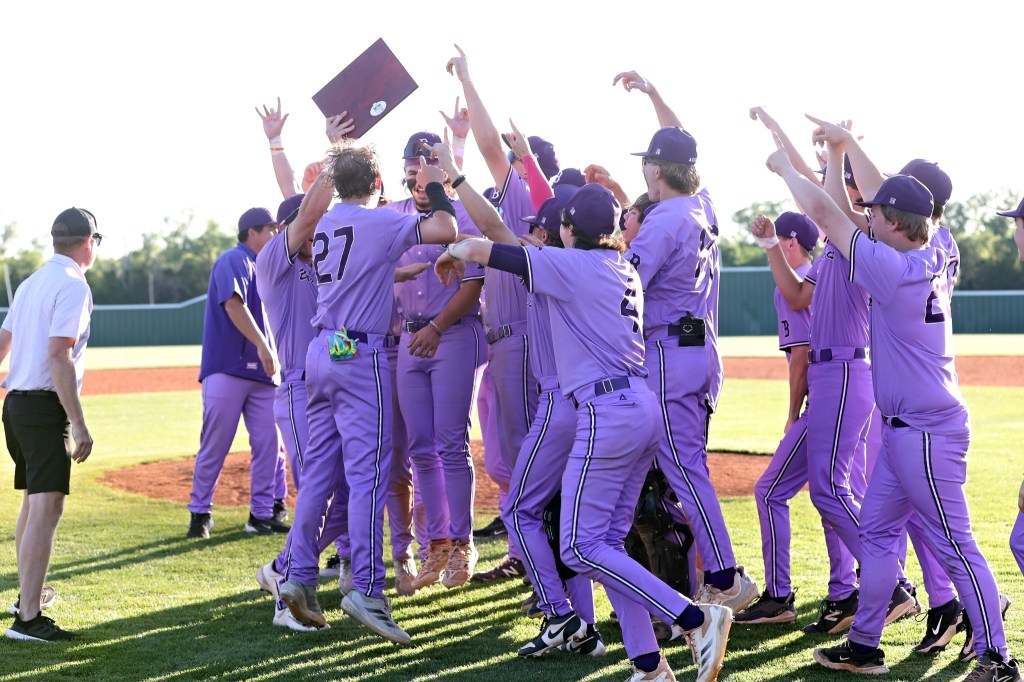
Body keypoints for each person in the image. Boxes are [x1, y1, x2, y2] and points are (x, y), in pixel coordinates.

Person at [440, 182, 733, 682]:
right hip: (640, 406)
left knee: (579, 546)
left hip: (606, 410)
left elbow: (483, 247)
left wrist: (453, 247)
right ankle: (649, 665)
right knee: (607, 547)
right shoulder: (619, 267)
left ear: (569, 230)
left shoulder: (572, 265)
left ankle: (694, 617)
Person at [767, 128, 1018, 680]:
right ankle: (864, 644)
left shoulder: (892, 267)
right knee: (879, 533)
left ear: (899, 225)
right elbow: (884, 201)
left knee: (957, 546)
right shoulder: (934, 246)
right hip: (908, 427)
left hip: (927, 431)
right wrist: (844, 145)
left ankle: (999, 657)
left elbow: (827, 213)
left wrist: (785, 168)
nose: (869, 215)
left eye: (879, 215)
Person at [275, 142, 463, 645]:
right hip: (359, 354)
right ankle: (366, 589)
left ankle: (296, 574)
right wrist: (440, 185)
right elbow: (446, 229)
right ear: (377, 185)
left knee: (318, 473)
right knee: (368, 476)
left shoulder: (329, 220)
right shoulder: (378, 220)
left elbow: (362, 267)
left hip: (322, 348)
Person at [618, 70, 758, 613]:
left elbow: (621, 288)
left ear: (655, 170)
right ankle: (665, 587)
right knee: (668, 467)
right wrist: (654, 96)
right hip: (696, 344)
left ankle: (723, 576)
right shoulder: (702, 206)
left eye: (648, 164)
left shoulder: (662, 221)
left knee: (683, 467)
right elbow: (682, 144)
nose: (645, 171)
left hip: (669, 352)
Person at [733, 211, 852, 628]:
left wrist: (790, 415)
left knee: (772, 491)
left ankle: (782, 596)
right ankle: (844, 590)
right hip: (852, 391)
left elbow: (799, 357)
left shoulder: (795, 284)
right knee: (834, 492)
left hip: (825, 395)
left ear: (790, 242)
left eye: (779, 238)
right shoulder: (827, 270)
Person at [387, 131, 486, 590]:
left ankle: (463, 543)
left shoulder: (463, 210)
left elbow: (475, 283)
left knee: (450, 443)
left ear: (442, 170)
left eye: (424, 168)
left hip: (451, 333)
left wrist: (438, 326)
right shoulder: (393, 215)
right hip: (410, 337)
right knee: (420, 447)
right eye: (411, 169)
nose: (416, 175)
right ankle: (437, 545)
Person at [1, 208, 99, 641]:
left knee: (33, 503)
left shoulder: (31, 282)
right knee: (47, 506)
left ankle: (27, 597)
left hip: (17, 406)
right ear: (88, 241)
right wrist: (78, 423)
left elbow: (4, 341)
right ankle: (27, 619)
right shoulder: (72, 284)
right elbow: (59, 355)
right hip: (42, 408)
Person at [186, 207, 288, 539]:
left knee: (269, 445)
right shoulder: (234, 259)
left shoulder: (270, 266)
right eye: (270, 229)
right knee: (215, 444)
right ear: (252, 232)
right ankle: (200, 514)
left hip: (264, 375)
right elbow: (233, 303)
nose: (275, 234)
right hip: (227, 368)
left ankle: (260, 515)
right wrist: (262, 345)